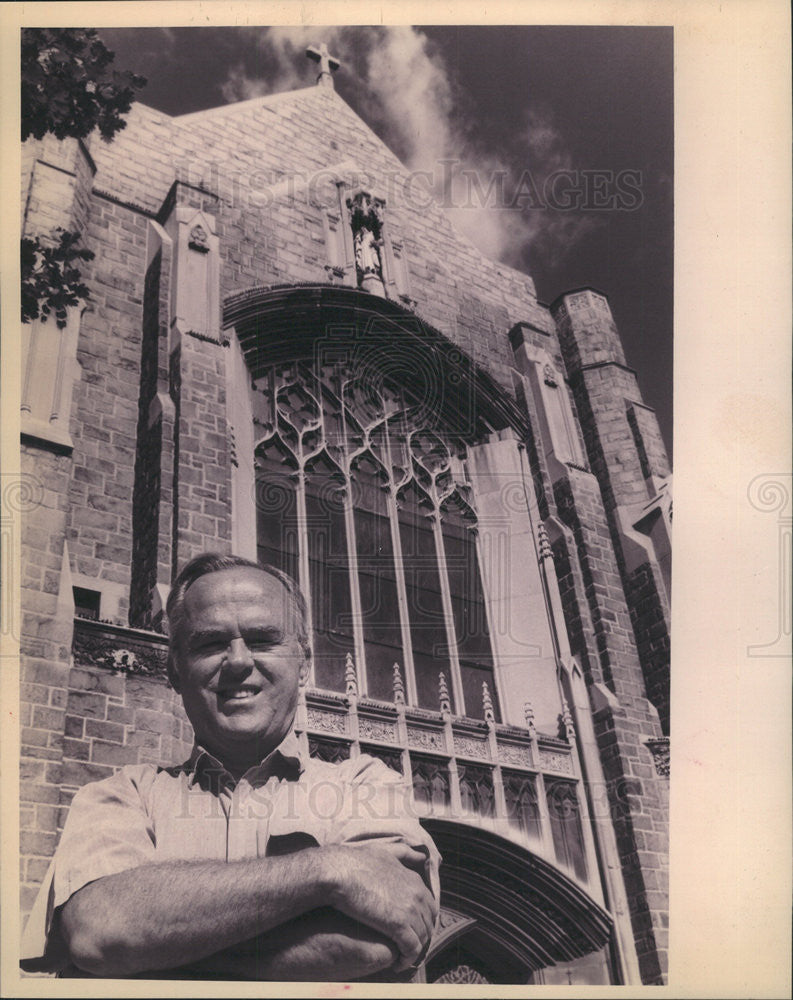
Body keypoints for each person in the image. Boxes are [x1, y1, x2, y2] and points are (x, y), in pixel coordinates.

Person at [21, 553, 441, 981]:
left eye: (262, 639)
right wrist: (330, 868)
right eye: (209, 643)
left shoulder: (365, 785)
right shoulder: (120, 795)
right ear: (174, 670)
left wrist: (152, 949)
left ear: (304, 664)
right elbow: (102, 931)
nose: (238, 661)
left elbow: (373, 943)